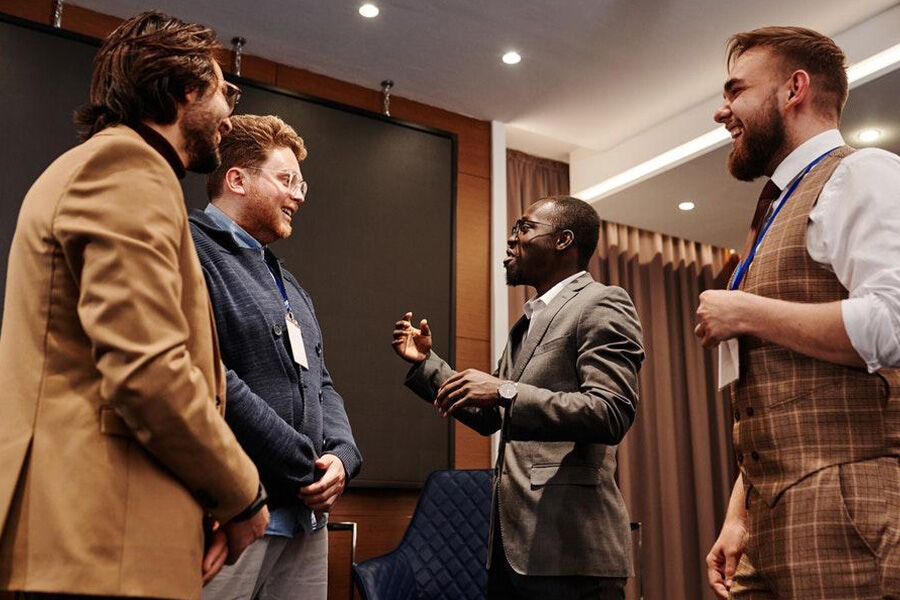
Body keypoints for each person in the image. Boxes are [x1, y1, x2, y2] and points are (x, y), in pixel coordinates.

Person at [0, 11, 270, 600]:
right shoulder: (127, 168)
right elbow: (148, 372)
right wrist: (243, 494)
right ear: (183, 90)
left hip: (96, 542)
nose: (231, 113)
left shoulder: (119, 170)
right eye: (225, 90)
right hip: (95, 545)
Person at [697, 26, 900, 600]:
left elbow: (893, 323)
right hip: (770, 515)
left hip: (852, 508)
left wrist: (749, 312)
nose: (722, 111)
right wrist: (740, 510)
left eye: (736, 91)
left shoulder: (863, 173)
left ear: (795, 89)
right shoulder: (774, 211)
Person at [392, 195, 644, 599]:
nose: (511, 241)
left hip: (570, 553)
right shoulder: (529, 321)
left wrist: (506, 391)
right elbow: (491, 412)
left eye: (523, 229)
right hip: (513, 547)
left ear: (563, 240)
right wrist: (427, 364)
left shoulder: (602, 302)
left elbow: (610, 411)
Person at [190, 114, 362, 600]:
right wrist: (304, 465)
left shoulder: (291, 286)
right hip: (233, 517)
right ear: (237, 179)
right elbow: (209, 375)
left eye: (301, 182)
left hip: (305, 524)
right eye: (286, 180)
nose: (300, 194)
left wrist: (343, 458)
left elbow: (322, 383)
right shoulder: (189, 249)